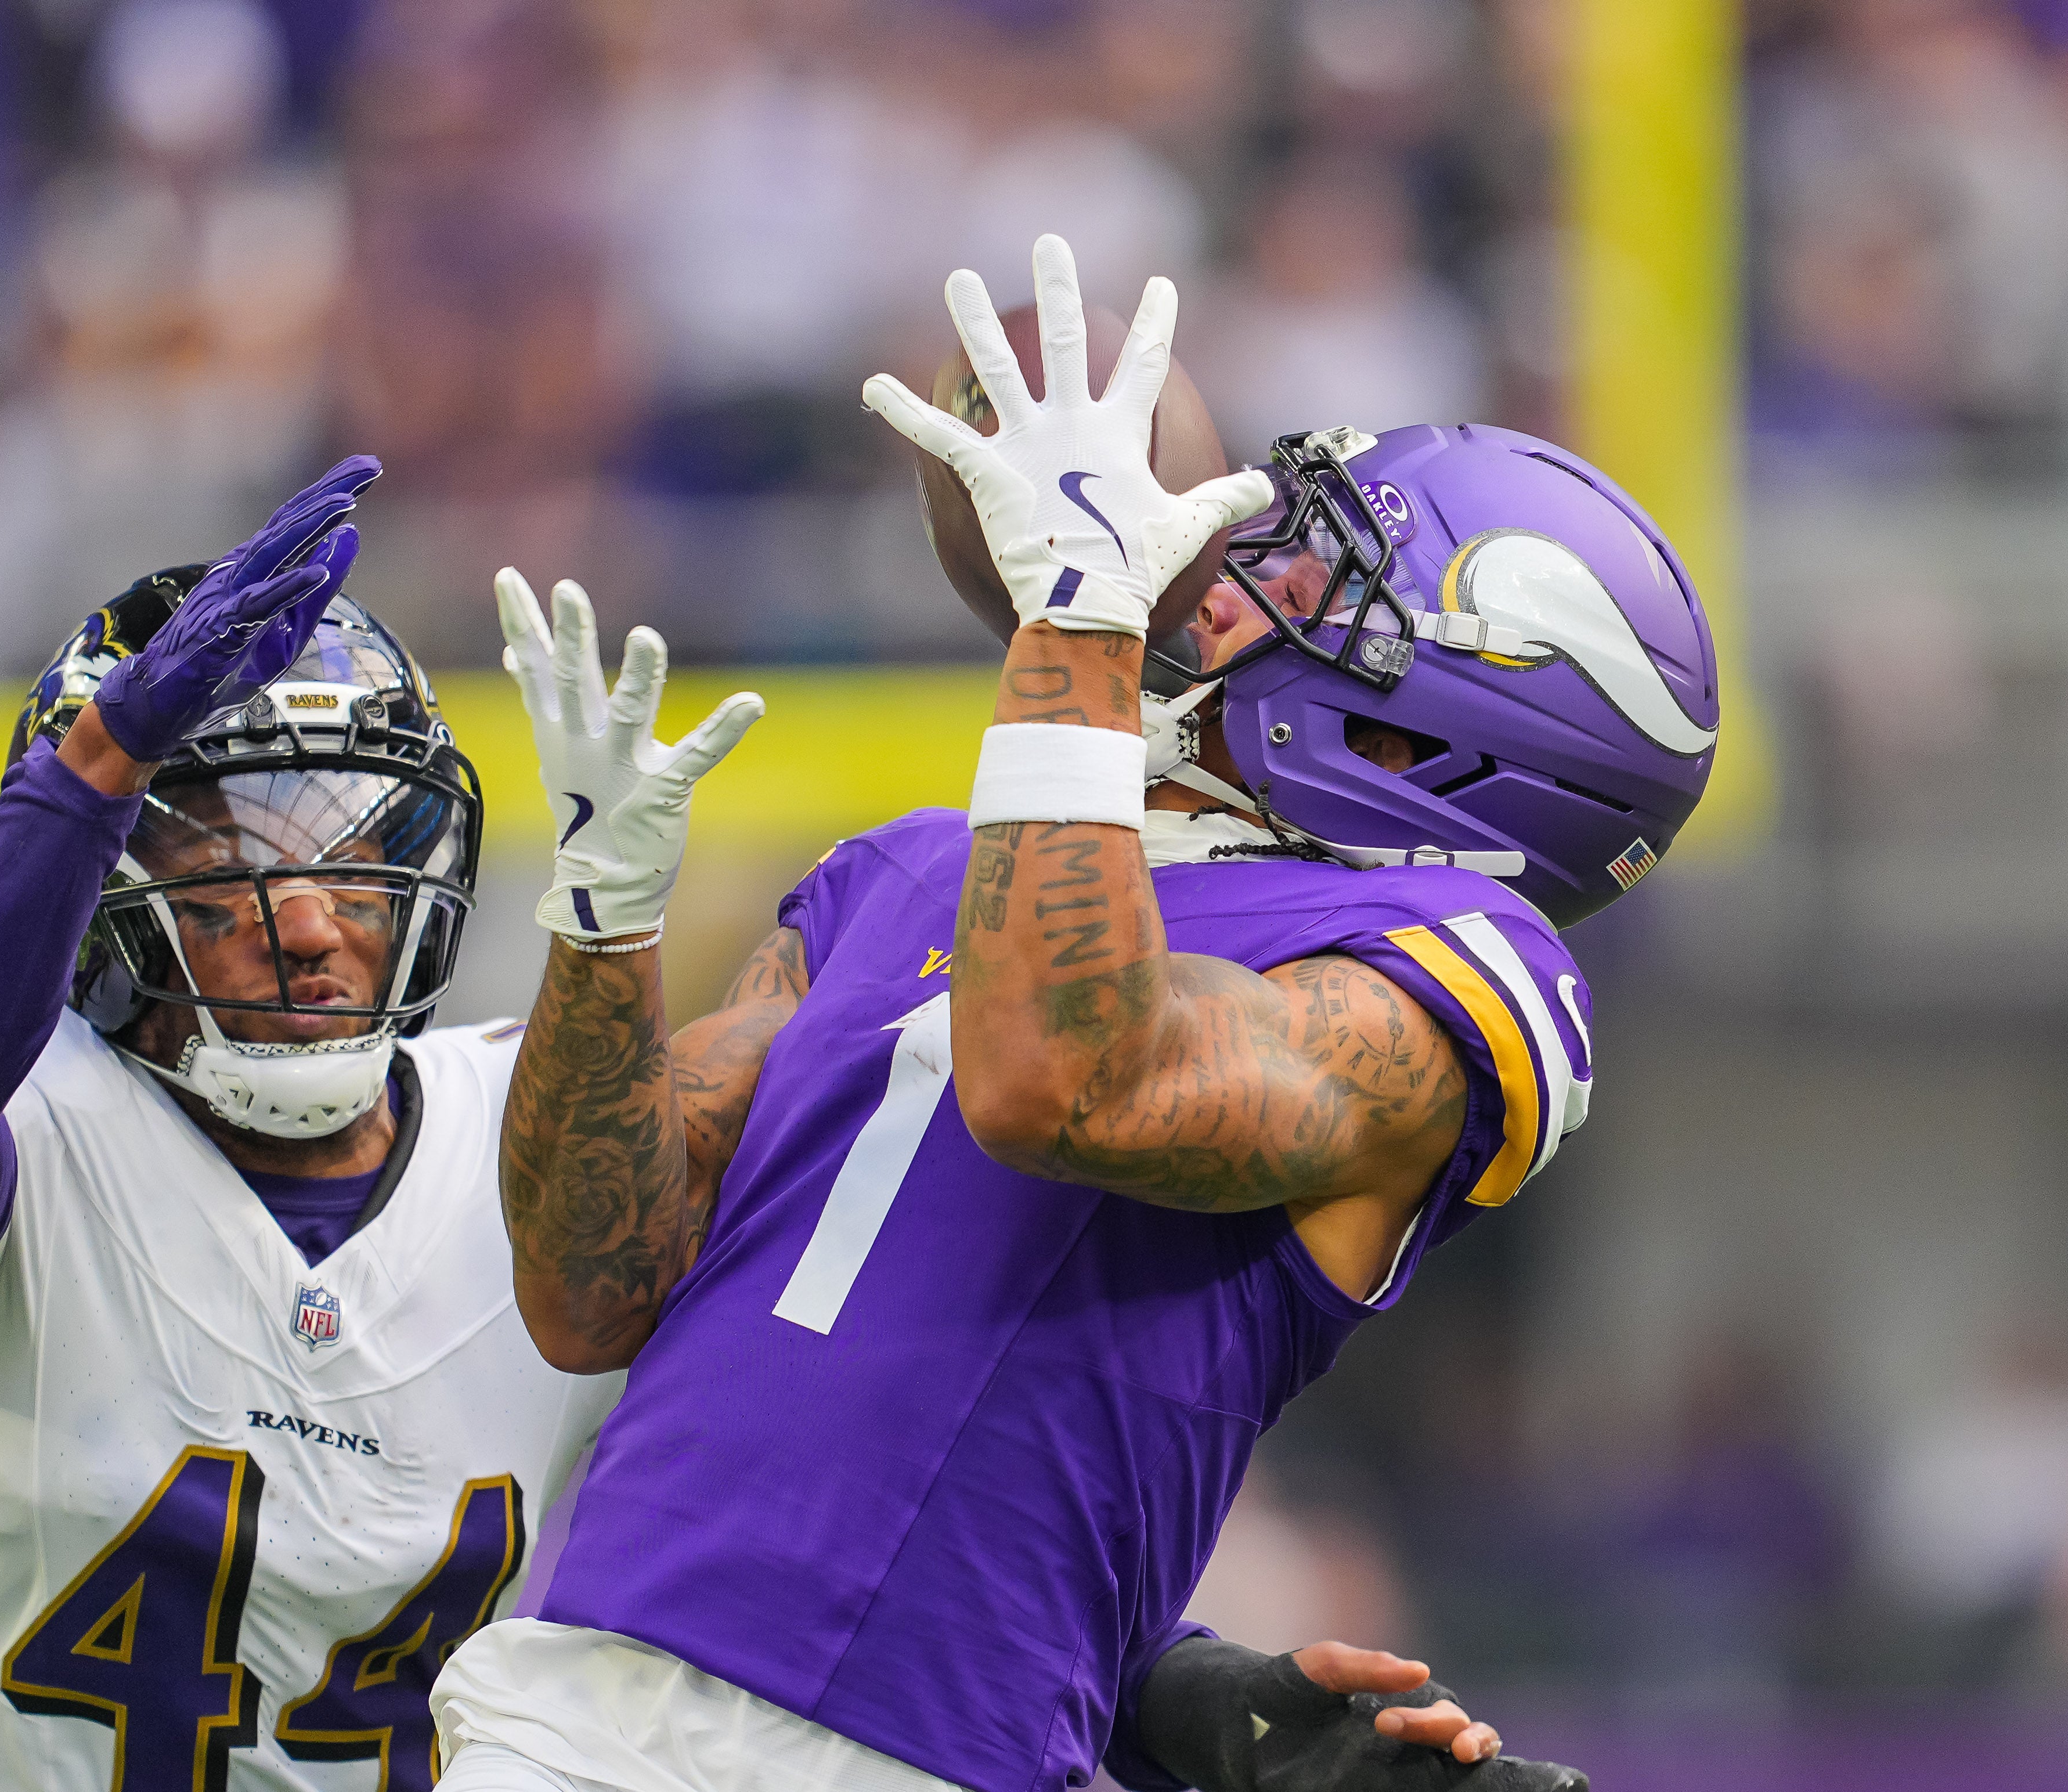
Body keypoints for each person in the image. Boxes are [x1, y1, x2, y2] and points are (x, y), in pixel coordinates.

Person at [434, 236, 1716, 1792]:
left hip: (932, 1755)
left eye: (1317, 577)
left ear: (1436, 727)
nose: (1244, 575)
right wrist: (601, 929)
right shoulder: (911, 867)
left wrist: (1080, 624)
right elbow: (589, 1289)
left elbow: (1067, 1079)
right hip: (571, 1699)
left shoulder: (1452, 956)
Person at [0, 457, 622, 1791]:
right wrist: (97, 763)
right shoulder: (24, 1131)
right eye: (230, 863)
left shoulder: (533, 1135)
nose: (308, 913)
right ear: (96, 895)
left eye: (350, 846)